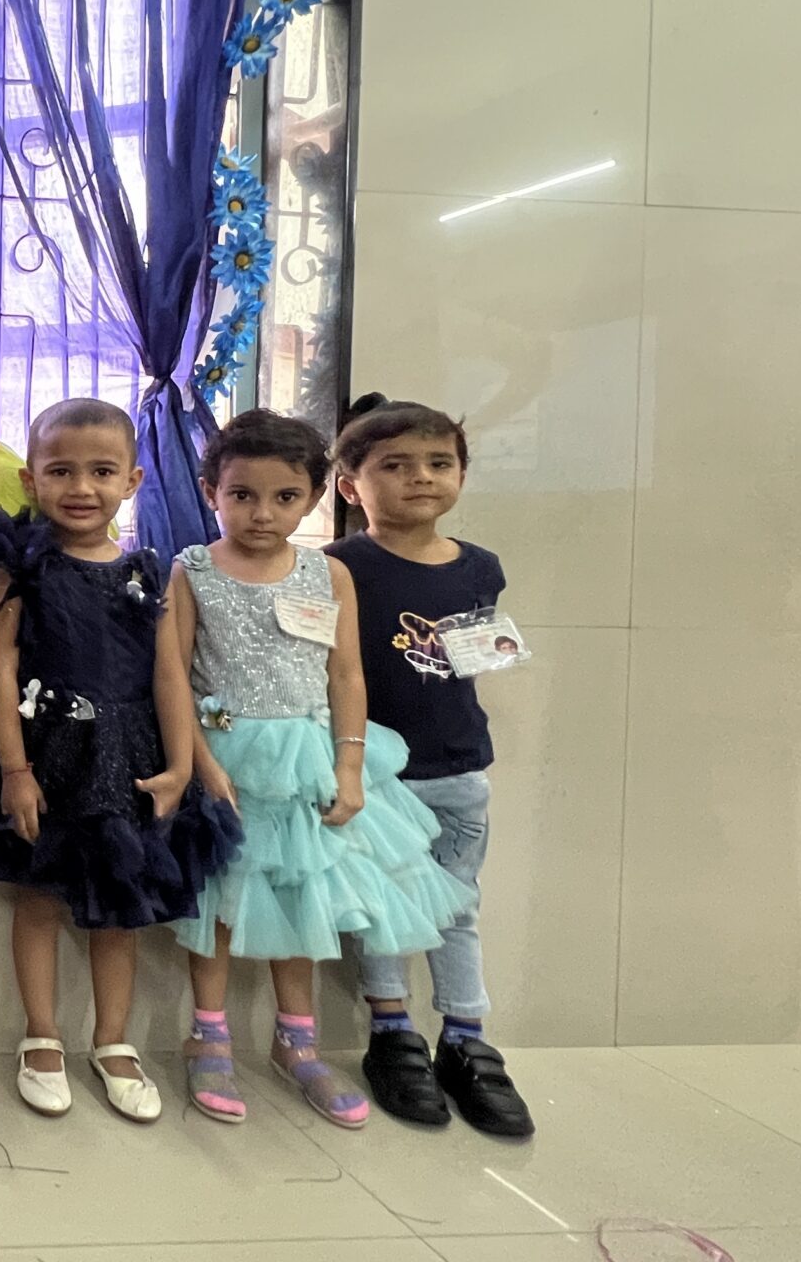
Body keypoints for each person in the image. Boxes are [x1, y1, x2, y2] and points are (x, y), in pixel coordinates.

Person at [164, 409, 475, 1130]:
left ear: (313, 497)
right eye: (242, 495)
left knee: (302, 899)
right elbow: (173, 675)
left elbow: (346, 674)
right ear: (211, 491)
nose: (262, 513)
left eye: (285, 497)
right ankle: (208, 1036)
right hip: (226, 757)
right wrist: (200, 763)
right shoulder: (192, 569)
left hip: (307, 762)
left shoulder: (327, 571)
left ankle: (296, 1043)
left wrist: (351, 764)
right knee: (217, 904)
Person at [0, 399, 240, 1120]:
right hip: (48, 753)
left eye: (102, 472)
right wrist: (15, 770)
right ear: (30, 478)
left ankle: (113, 1041)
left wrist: (181, 767)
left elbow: (169, 674)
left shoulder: (147, 569)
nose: (81, 487)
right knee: (39, 898)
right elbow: (0, 668)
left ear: (132, 480)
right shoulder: (22, 565)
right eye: (61, 471)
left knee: (118, 911)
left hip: (128, 757)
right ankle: (41, 1035)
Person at [329, 393, 534, 1136]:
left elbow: (473, 653)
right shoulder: (337, 566)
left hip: (458, 763)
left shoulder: (480, 567)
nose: (421, 477)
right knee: (380, 902)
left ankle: (467, 1038)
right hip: (375, 772)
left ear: (462, 475)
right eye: (396, 465)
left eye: (439, 463)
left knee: (457, 903)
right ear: (351, 486)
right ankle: (392, 1033)